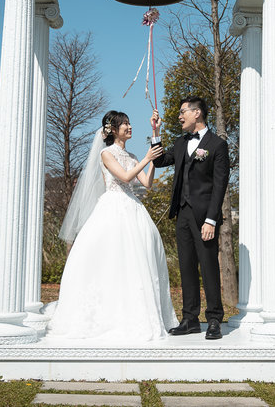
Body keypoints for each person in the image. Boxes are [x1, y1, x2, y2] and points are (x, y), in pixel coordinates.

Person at [44, 110, 179, 341]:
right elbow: (125, 178)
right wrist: (146, 158)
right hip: (113, 208)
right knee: (111, 262)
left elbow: (146, 183)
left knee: (136, 263)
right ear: (112, 130)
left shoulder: (133, 154)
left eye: (128, 122)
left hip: (134, 209)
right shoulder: (107, 154)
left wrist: (154, 141)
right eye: (124, 124)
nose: (129, 126)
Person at [150, 96, 230, 340]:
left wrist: (211, 220)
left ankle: (214, 318)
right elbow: (160, 160)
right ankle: (190, 319)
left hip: (205, 217)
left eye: (183, 111)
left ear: (197, 113)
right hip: (182, 213)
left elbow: (220, 186)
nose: (179, 116)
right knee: (186, 267)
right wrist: (156, 132)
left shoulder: (217, 145)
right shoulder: (179, 141)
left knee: (208, 267)